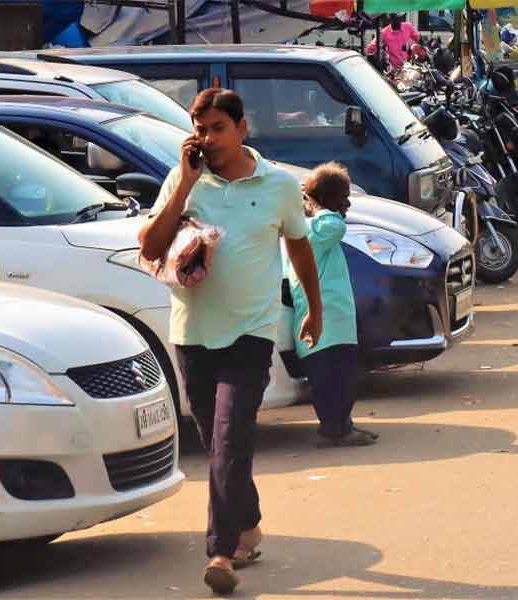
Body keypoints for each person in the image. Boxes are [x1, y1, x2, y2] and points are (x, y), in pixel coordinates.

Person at [138, 88, 323, 596]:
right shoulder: (184, 179)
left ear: (243, 129)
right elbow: (151, 248)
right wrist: (183, 189)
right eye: (201, 129)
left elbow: (300, 248)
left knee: (231, 437)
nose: (208, 138)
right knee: (217, 441)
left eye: (218, 128)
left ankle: (220, 549)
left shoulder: (279, 186)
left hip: (251, 330)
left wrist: (314, 308)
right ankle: (249, 519)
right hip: (192, 332)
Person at [291, 163, 379, 447]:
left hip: (333, 321)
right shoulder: (317, 229)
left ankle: (341, 424)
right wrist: (317, 207)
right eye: (342, 197)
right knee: (333, 380)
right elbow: (335, 224)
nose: (348, 203)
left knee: (340, 379)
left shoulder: (308, 230)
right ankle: (335, 429)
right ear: (326, 201)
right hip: (325, 321)